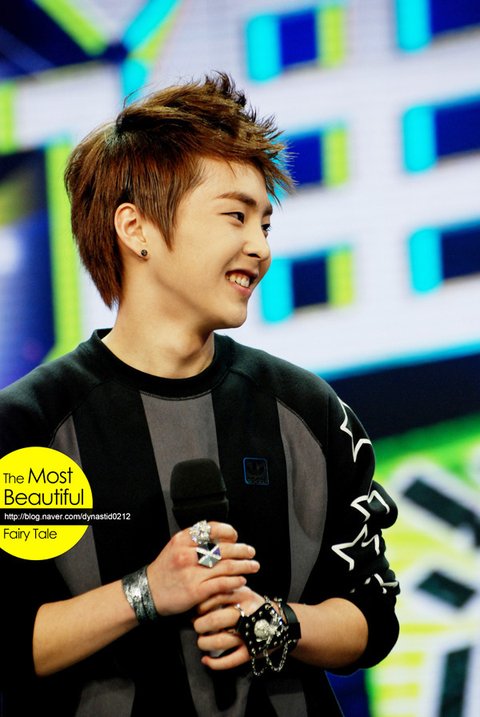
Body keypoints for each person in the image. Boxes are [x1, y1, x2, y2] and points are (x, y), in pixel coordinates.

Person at [0, 73, 399, 716]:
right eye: (235, 216)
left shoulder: (309, 412)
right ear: (136, 228)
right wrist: (146, 592)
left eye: (265, 223)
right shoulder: (29, 427)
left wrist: (276, 622)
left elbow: (371, 617)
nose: (259, 247)